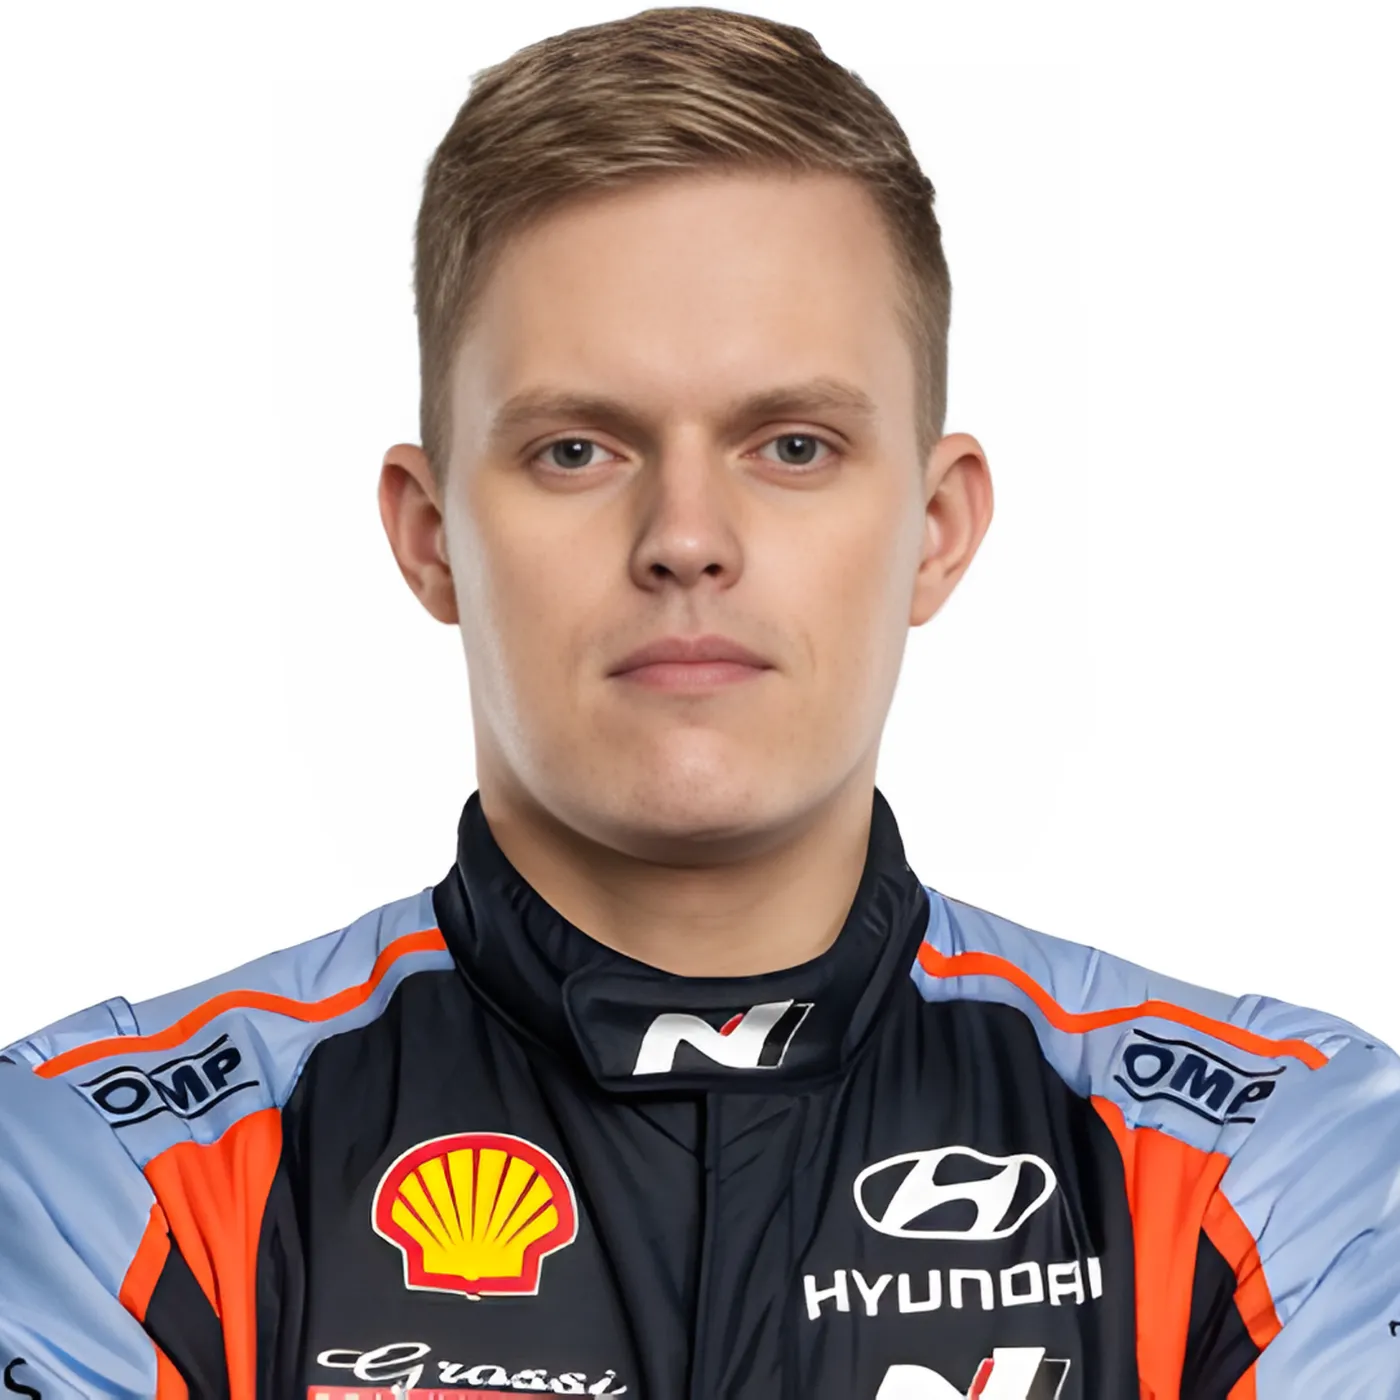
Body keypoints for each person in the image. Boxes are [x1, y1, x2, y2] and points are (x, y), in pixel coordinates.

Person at [1, 7, 1396, 1399]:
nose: (684, 537)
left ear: (936, 529)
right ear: (431, 537)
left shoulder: (1278, 1166)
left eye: (792, 445)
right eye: (576, 449)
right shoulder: (100, 1179)